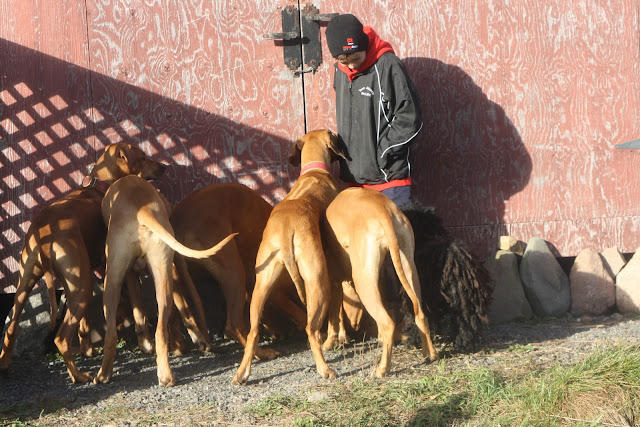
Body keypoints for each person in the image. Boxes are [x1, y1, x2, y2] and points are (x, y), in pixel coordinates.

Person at [325, 13, 423, 207]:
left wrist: (384, 153)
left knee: (397, 227)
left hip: (390, 181)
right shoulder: (339, 72)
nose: (352, 65)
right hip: (354, 182)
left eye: (356, 57)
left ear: (364, 45)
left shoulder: (388, 65)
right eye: (344, 61)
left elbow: (410, 117)